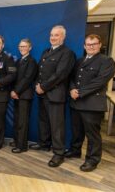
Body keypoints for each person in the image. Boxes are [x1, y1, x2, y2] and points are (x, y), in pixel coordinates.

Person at [67, 34, 115, 172]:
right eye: (88, 44)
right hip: (76, 102)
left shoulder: (107, 61)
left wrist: (80, 92)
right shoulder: (79, 61)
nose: (91, 47)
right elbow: (71, 78)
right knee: (77, 130)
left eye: (94, 44)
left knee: (92, 134)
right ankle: (75, 151)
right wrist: (71, 89)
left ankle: (92, 160)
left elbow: (99, 81)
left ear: (100, 45)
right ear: (84, 46)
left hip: (92, 103)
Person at [30, 25, 75, 168]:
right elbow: (40, 71)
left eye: (56, 35)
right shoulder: (46, 51)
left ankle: (58, 153)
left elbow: (60, 74)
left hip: (55, 94)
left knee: (57, 126)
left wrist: (43, 87)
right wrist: (38, 85)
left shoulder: (67, 53)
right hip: (43, 94)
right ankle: (44, 144)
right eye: (51, 35)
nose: (53, 37)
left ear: (63, 37)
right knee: (43, 121)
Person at [10, 39, 37, 153]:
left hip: (24, 95)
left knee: (22, 121)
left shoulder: (31, 61)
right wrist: (13, 90)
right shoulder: (18, 61)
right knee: (16, 120)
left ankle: (22, 146)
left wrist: (16, 91)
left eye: (24, 46)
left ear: (30, 48)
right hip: (17, 95)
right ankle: (17, 140)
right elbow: (13, 77)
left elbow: (27, 79)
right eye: (20, 46)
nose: (22, 48)